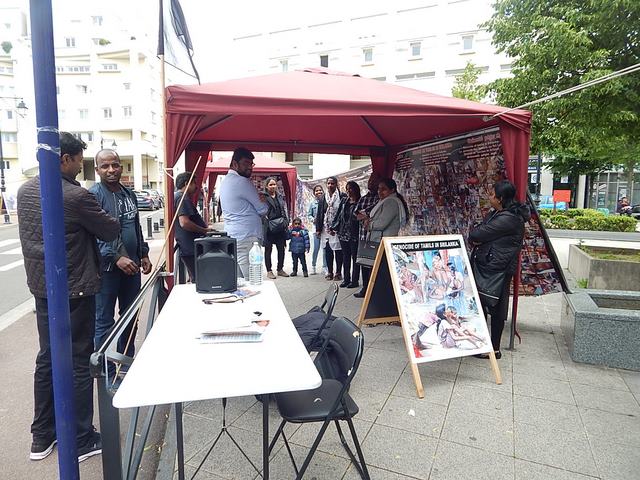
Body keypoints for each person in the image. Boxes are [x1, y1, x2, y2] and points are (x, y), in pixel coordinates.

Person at [18, 132, 120, 462]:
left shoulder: (24, 190)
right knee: (78, 360)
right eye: (78, 161)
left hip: (43, 288)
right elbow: (110, 229)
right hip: (75, 287)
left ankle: (42, 436)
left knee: (48, 357)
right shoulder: (75, 195)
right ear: (65, 159)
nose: (79, 167)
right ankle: (81, 438)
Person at [89, 150, 152, 361]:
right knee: (104, 320)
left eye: (115, 165)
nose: (111, 170)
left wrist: (143, 253)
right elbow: (92, 235)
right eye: (105, 166)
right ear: (97, 170)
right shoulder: (94, 195)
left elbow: (135, 225)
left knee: (130, 316)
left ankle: (125, 362)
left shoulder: (129, 194)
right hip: (106, 271)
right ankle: (104, 368)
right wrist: (115, 257)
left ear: (121, 167)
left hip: (132, 268)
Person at [469, 179, 530, 359]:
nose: (489, 197)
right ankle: (483, 344)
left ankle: (494, 349)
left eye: (492, 194)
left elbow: (477, 234)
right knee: (482, 303)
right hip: (490, 265)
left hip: (498, 269)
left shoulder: (509, 219)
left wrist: (482, 237)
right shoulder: (497, 214)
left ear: (500, 198)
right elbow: (478, 234)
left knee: (496, 308)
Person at [219, 147, 268, 278]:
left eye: (251, 164)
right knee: (253, 280)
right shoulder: (242, 182)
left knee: (240, 281)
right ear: (235, 164)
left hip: (234, 236)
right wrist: (264, 201)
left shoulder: (226, 181)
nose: (250, 167)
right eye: (246, 163)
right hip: (248, 239)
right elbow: (262, 209)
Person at [174, 172, 212, 281]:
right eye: (194, 183)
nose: (196, 186)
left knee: (197, 277)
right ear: (187, 183)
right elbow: (184, 222)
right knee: (200, 279)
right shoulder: (182, 198)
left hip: (188, 246)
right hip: (191, 247)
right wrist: (204, 230)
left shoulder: (177, 196)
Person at [353, 172, 381, 298]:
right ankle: (365, 288)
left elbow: (375, 214)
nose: (371, 183)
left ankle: (373, 290)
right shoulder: (364, 198)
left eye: (374, 181)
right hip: (363, 236)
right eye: (370, 180)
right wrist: (366, 216)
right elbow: (356, 214)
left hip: (374, 237)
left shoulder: (380, 199)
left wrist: (366, 215)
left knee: (374, 265)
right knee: (364, 264)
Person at [314, 176, 346, 281]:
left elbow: (343, 213)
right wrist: (318, 229)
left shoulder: (342, 196)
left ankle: (338, 272)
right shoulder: (323, 197)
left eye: (332, 183)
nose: (330, 185)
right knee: (328, 250)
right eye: (328, 183)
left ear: (336, 184)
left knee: (338, 250)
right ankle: (330, 272)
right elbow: (319, 214)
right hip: (326, 228)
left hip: (337, 228)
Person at [332, 181, 361, 288]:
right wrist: (333, 226)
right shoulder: (344, 201)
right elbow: (338, 214)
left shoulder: (360, 201)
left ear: (356, 189)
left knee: (355, 257)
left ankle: (354, 280)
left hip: (354, 233)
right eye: (347, 189)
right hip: (343, 232)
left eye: (351, 188)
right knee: (345, 256)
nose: (348, 191)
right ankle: (346, 279)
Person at [364, 177, 409, 242]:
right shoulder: (383, 201)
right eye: (379, 188)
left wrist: (369, 224)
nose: (379, 191)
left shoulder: (391, 202)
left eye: (383, 189)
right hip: (380, 239)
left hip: (384, 241)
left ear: (392, 190)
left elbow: (382, 223)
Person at [263, 177, 289, 279]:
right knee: (268, 249)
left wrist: (286, 221)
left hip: (280, 226)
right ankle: (269, 270)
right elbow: (261, 211)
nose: (273, 186)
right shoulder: (263, 197)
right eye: (270, 185)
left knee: (281, 249)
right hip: (269, 227)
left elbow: (283, 209)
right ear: (266, 186)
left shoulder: (279, 196)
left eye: (274, 184)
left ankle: (280, 269)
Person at [307, 185, 326, 275]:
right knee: (316, 248)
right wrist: (312, 219)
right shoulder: (312, 203)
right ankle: (313, 266)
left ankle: (325, 267)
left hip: (325, 228)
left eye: (320, 190)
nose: (319, 192)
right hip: (316, 229)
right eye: (317, 191)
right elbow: (309, 215)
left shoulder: (326, 202)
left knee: (325, 248)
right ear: (314, 193)